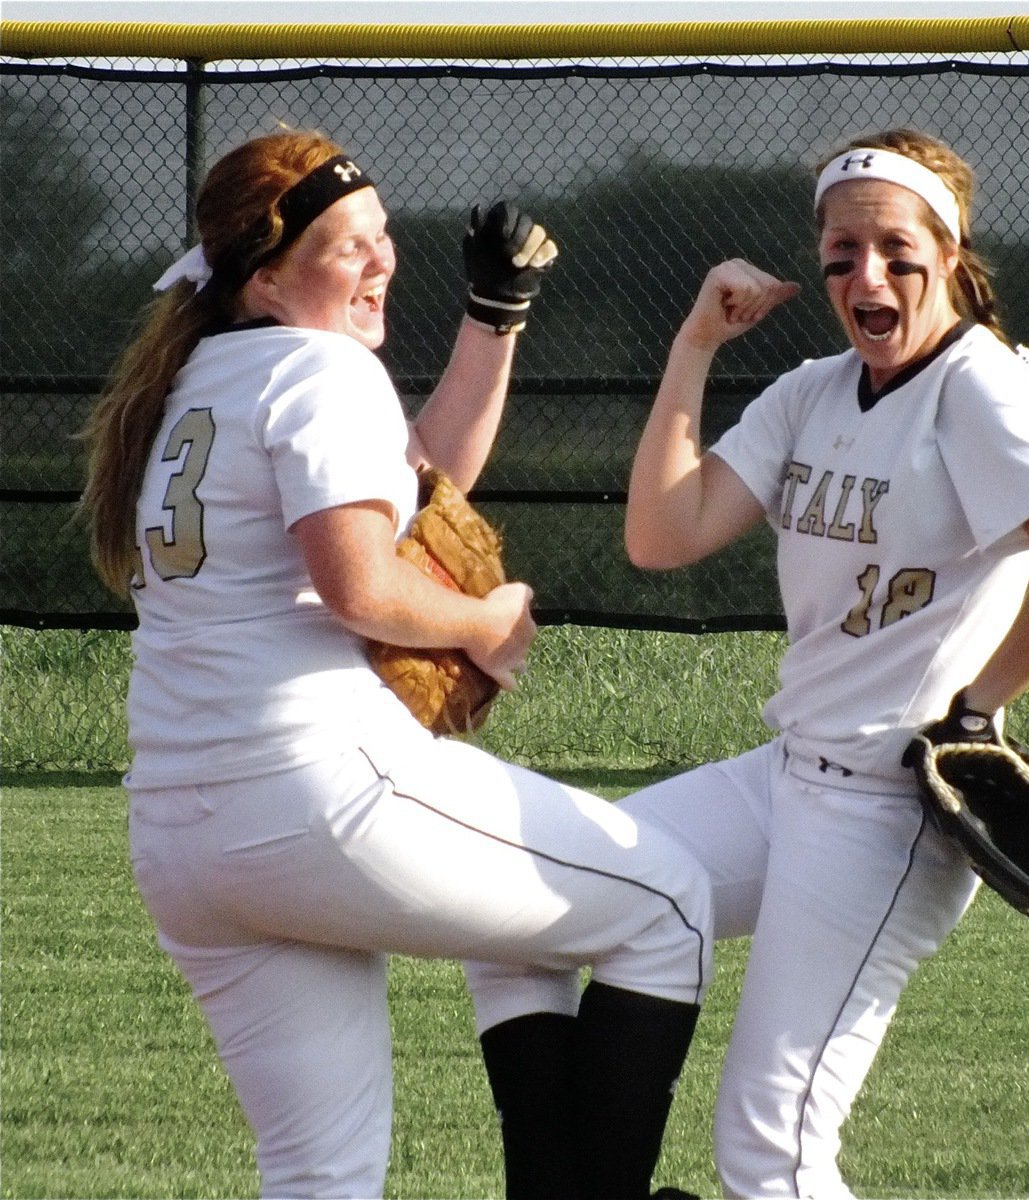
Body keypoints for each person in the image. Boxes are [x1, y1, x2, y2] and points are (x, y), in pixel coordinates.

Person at [81, 128, 712, 1200]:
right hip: (316, 792)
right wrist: (482, 622)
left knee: (319, 1174)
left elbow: (418, 482)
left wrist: (493, 319)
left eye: (381, 238)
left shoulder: (199, 374)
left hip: (186, 838)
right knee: (670, 905)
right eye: (346, 247)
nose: (380, 262)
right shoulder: (322, 367)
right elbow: (361, 585)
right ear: (271, 278)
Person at [615, 127, 1029, 1198]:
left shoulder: (974, 388)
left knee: (771, 1149)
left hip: (883, 815)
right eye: (841, 252)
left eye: (896, 248)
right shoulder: (813, 389)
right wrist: (694, 347)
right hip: (785, 779)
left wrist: (978, 711)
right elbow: (662, 537)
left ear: (947, 253)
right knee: (550, 896)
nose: (867, 274)